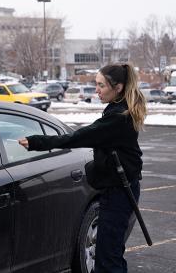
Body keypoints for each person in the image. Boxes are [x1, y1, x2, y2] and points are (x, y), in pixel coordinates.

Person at [18, 63, 146, 273]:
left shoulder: (117, 118)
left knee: (108, 259)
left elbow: (78, 137)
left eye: (101, 85)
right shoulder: (118, 111)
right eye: (96, 84)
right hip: (119, 190)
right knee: (110, 254)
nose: (97, 90)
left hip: (119, 193)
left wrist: (37, 142)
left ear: (119, 87)